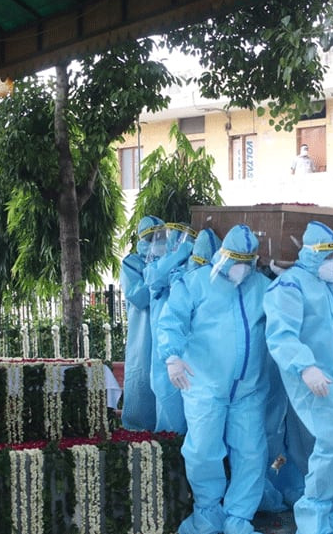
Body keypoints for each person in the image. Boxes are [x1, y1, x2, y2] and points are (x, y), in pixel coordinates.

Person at [157, 224, 271, 534]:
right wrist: (172, 356)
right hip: (205, 386)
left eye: (248, 262)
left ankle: (238, 518)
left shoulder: (260, 285)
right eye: (237, 261)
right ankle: (207, 515)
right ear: (223, 257)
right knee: (203, 450)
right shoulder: (194, 284)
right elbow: (171, 321)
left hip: (249, 389)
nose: (241, 269)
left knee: (251, 452)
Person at [264, 221, 333, 534]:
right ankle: (312, 517)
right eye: (327, 256)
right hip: (316, 380)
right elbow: (281, 334)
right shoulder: (290, 285)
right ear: (309, 254)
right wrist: (305, 366)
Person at [146, 222, 197, 433]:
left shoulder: (194, 269)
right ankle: (169, 446)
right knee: (166, 390)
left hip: (190, 343)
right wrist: (178, 255)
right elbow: (154, 278)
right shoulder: (160, 267)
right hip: (165, 341)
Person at [120, 215, 164, 431]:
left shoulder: (170, 262)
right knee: (141, 381)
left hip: (166, 336)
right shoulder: (131, 264)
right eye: (151, 237)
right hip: (143, 336)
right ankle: (136, 436)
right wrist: (159, 274)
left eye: (161, 236)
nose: (157, 241)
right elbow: (139, 296)